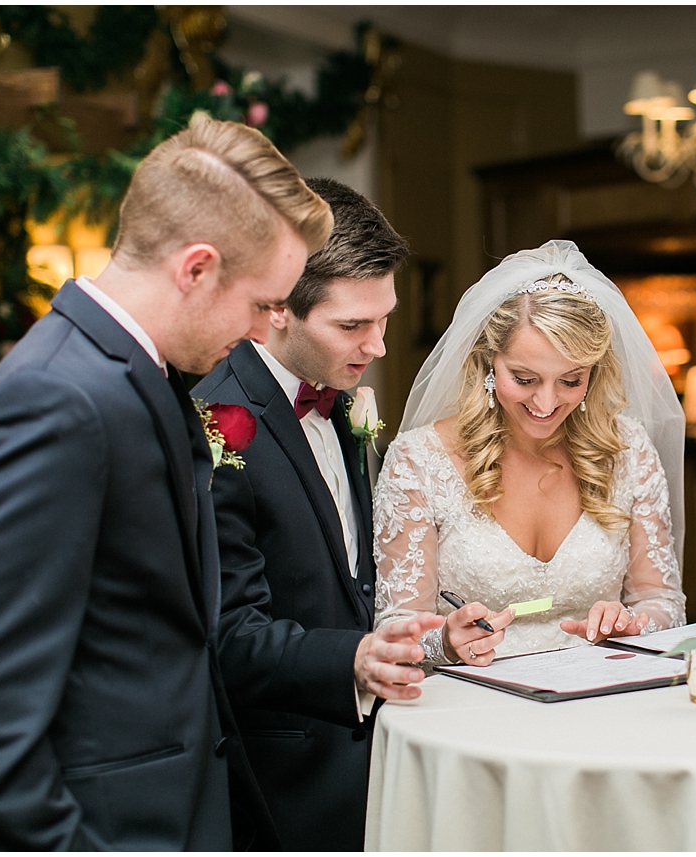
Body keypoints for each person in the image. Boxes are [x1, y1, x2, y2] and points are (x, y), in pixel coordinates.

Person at [0, 116, 332, 850]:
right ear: (196, 268)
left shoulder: (144, 378)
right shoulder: (54, 401)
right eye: (265, 302)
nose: (271, 329)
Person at [192, 177, 441, 850]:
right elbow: (231, 636)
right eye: (353, 325)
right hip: (286, 782)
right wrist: (353, 660)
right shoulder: (220, 426)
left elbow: (354, 584)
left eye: (383, 318)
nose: (378, 345)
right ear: (277, 309)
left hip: (378, 759)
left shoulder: (345, 404)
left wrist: (431, 627)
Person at [373, 240, 687, 665]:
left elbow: (662, 601)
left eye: (571, 381)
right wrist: (444, 643)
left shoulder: (628, 451)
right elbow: (395, 630)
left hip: (602, 699)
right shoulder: (419, 461)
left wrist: (633, 624)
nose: (546, 403)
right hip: (470, 707)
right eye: (524, 378)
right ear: (488, 363)